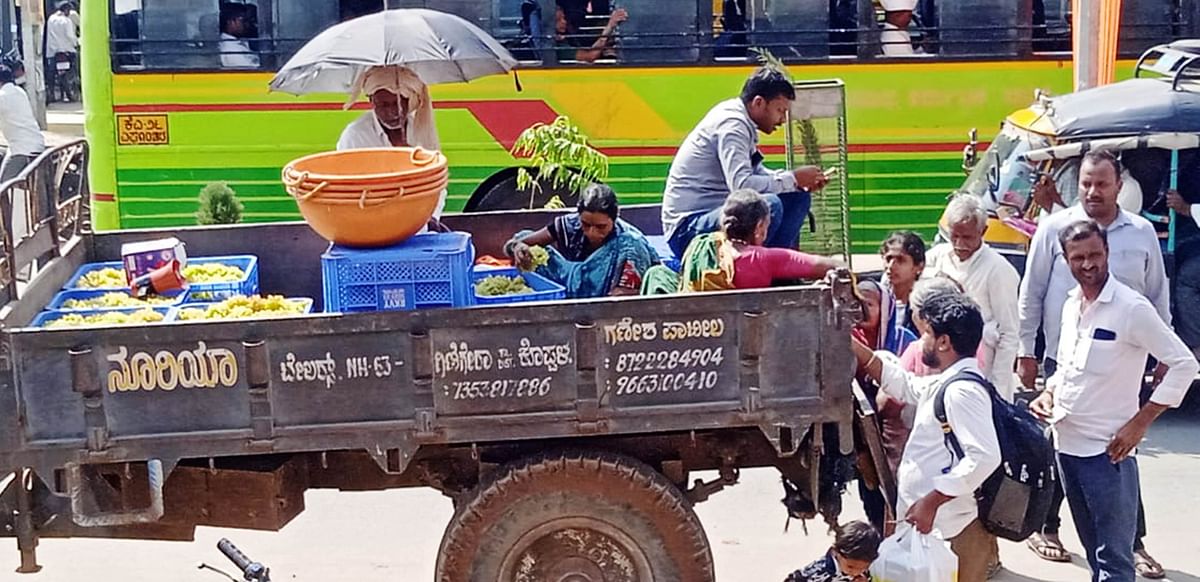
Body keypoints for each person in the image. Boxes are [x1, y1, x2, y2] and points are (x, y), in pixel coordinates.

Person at [1018, 151, 1169, 572]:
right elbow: (1031, 294)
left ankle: (1128, 544)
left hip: (1125, 365)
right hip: (1062, 364)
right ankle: (1047, 527)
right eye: (1085, 183)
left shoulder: (1140, 234)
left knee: (1118, 459)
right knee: (1065, 457)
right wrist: (1027, 354)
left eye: (1101, 184)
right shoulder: (1054, 230)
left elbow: (1159, 296)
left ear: (1119, 186)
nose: (1092, 191)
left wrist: (1161, 362)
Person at [1029, 219, 1197, 582]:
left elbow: (1184, 364)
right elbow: (1068, 367)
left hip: (1107, 455)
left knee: (1116, 563)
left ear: (1107, 252)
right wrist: (1048, 392)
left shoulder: (1130, 307)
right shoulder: (1071, 305)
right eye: (1078, 258)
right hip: (1066, 449)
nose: (1088, 265)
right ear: (1065, 260)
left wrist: (1140, 422)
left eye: (1095, 255)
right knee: (1095, 556)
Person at [851, 291, 1001, 582]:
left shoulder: (962, 392)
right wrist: (854, 347)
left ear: (944, 342)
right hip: (934, 528)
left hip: (949, 530)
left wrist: (932, 501)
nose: (922, 343)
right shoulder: (947, 382)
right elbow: (905, 385)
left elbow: (985, 457)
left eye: (928, 334)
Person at [661, 67, 829, 258]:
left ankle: (775, 270)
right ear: (758, 103)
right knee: (769, 205)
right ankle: (753, 268)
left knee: (797, 198)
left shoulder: (742, 122)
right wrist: (792, 178)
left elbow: (757, 174)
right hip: (687, 230)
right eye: (780, 111)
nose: (782, 119)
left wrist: (797, 183)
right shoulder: (732, 125)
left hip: (717, 216)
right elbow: (741, 186)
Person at [642, 189, 840, 294]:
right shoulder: (763, 259)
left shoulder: (698, 246)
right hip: (745, 340)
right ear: (760, 227)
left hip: (693, 340)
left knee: (656, 274)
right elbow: (831, 266)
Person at [926, 194, 1020, 400]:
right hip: (939, 366)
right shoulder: (936, 258)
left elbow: (1009, 334)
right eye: (954, 236)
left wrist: (997, 390)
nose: (959, 244)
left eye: (967, 237)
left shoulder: (998, 270)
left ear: (983, 231)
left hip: (981, 372)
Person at [504, 183, 659, 298]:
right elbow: (516, 244)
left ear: (615, 218)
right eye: (586, 224)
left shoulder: (629, 244)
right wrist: (518, 247)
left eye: (601, 227)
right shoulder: (570, 225)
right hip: (568, 284)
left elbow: (642, 291)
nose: (592, 232)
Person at [338, 65, 442, 215]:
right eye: (384, 105)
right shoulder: (355, 135)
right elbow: (349, 190)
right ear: (372, 101)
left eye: (398, 103)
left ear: (410, 100)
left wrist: (429, 217)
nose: (393, 112)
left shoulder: (421, 130)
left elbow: (437, 184)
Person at [783, 520, 881, 582]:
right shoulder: (818, 574)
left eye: (863, 568)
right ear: (835, 552)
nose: (855, 572)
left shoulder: (864, 566)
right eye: (850, 566)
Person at [0, 64, 45, 183]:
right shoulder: (19, 91)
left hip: (22, 150)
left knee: (3, 186)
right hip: (33, 143)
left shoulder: (3, 97)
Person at [880, 231, 925, 338]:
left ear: (919, 266)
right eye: (888, 259)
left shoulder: (924, 306)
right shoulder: (877, 300)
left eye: (900, 260)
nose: (891, 266)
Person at [553, 2, 627, 63]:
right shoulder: (559, 47)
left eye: (564, 18)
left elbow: (592, 49)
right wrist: (610, 26)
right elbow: (589, 57)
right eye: (559, 19)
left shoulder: (568, 37)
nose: (564, 22)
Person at [46, 2, 80, 102]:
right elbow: (70, 36)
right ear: (66, 10)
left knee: (51, 74)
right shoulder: (66, 21)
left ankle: (52, 94)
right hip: (67, 50)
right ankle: (70, 92)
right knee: (72, 71)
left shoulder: (51, 19)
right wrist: (76, 43)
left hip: (53, 51)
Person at [218, 2, 260, 69]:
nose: (247, 25)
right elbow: (252, 71)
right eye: (243, 21)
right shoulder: (231, 50)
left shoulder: (239, 42)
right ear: (230, 22)